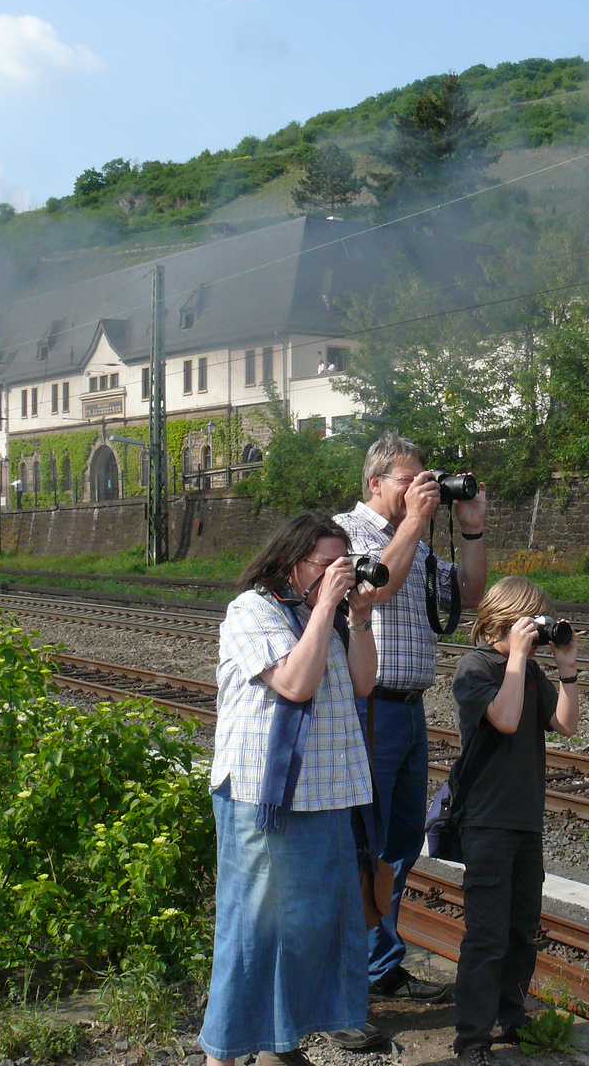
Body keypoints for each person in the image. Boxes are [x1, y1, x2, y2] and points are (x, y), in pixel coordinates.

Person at [199, 513, 380, 1066]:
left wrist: (362, 618)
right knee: (253, 931)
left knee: (308, 929)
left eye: (339, 566)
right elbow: (296, 684)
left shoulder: (318, 614)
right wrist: (327, 605)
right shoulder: (251, 609)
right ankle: (223, 1053)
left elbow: (364, 683)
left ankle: (283, 1041)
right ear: (290, 561)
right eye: (324, 565)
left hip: (322, 793)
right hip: (264, 798)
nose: (334, 575)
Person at [333, 434, 487, 1025]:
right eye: (407, 479)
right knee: (361, 843)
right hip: (365, 710)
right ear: (374, 484)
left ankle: (381, 966)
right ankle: (358, 971)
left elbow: (471, 596)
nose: (421, 487)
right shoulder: (344, 533)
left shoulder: (416, 539)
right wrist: (417, 522)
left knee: (399, 845)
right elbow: (375, 589)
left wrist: (469, 528)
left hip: (410, 709)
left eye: (427, 479)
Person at [450, 577, 580, 1066]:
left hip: (525, 817)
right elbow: (504, 719)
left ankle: (511, 1014)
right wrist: (519, 659)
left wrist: (566, 671)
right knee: (486, 934)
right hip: (485, 819)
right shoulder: (476, 667)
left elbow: (565, 724)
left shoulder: (527, 672)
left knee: (522, 928)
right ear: (507, 618)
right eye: (534, 621)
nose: (540, 632)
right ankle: (472, 1039)